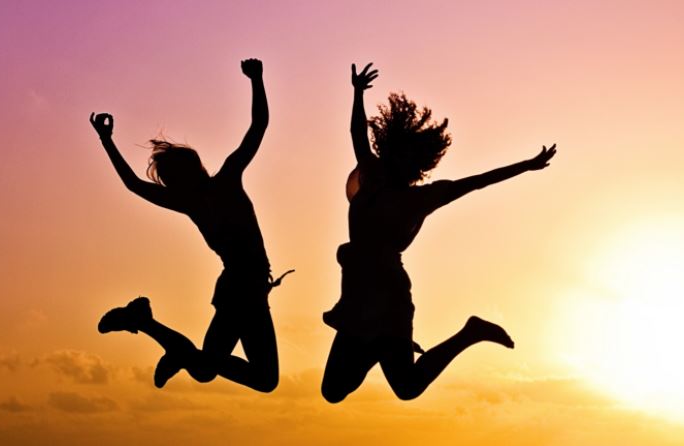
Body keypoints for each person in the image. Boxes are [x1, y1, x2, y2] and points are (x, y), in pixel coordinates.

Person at [321, 63, 556, 402]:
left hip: (388, 297)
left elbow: (476, 182)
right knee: (333, 390)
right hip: (357, 295)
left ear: (417, 162)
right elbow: (357, 135)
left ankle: (469, 333)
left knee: (407, 387)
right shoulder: (371, 175)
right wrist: (357, 92)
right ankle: (380, 346)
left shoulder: (421, 198)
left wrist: (527, 165)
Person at [91, 58, 291, 393]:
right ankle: (154, 330)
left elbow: (259, 127)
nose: (168, 186)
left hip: (241, 287)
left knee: (205, 369)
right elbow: (259, 126)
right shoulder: (215, 187)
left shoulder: (199, 197)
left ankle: (147, 324)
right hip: (245, 288)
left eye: (169, 179)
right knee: (256, 377)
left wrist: (106, 140)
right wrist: (256, 79)